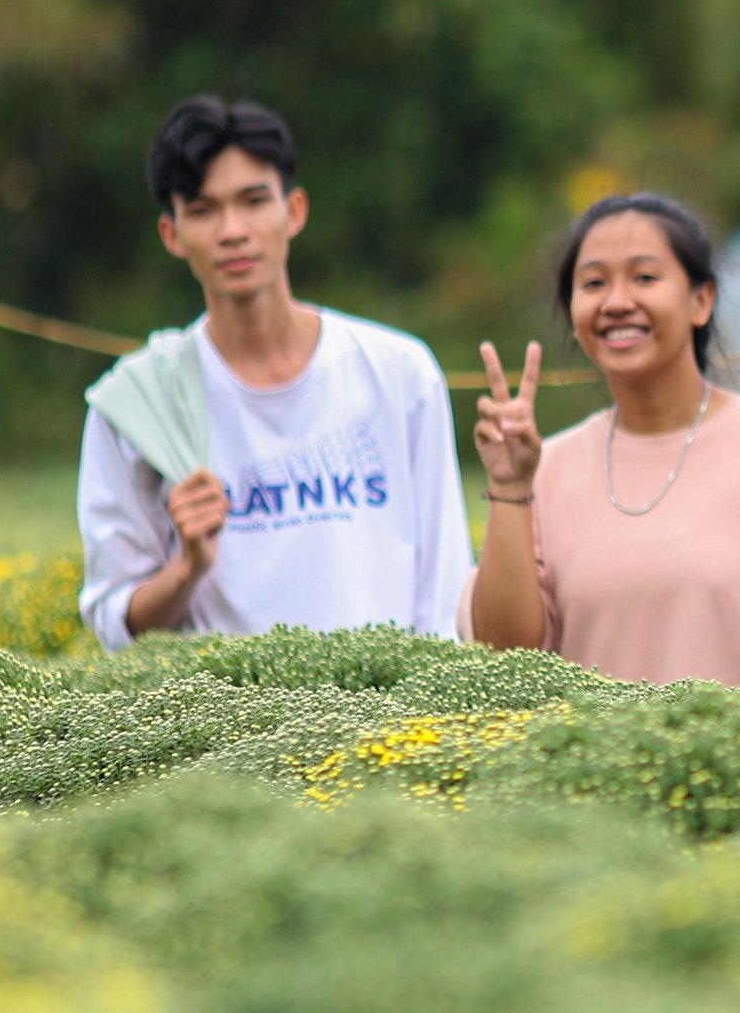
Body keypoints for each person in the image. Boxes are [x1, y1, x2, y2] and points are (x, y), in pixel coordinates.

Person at [77, 94, 471, 649]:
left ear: (295, 211)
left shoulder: (399, 373)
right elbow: (115, 620)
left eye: (254, 201)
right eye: (203, 210)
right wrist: (187, 566)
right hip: (230, 725)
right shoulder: (138, 404)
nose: (233, 230)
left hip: (396, 721)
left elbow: (445, 585)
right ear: (171, 234)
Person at [464, 192, 740, 689]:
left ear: (701, 300)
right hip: (585, 768)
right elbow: (504, 663)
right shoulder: (542, 469)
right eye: (594, 283)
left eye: (644, 277)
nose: (617, 302)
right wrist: (510, 486)